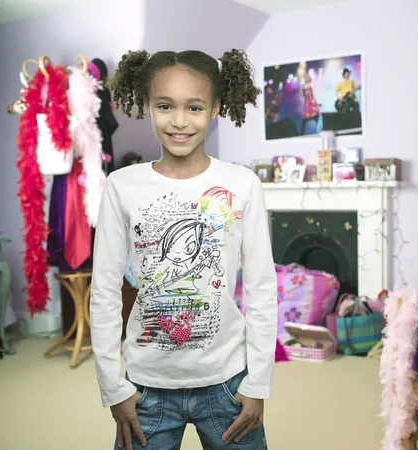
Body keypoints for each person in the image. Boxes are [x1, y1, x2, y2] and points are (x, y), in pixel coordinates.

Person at [90, 49, 277, 450]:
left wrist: (258, 381)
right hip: (146, 387)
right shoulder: (121, 186)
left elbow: (262, 288)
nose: (179, 120)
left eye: (194, 107)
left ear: (215, 108)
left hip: (229, 382)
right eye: (164, 106)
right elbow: (104, 290)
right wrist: (113, 386)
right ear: (146, 106)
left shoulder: (243, 184)